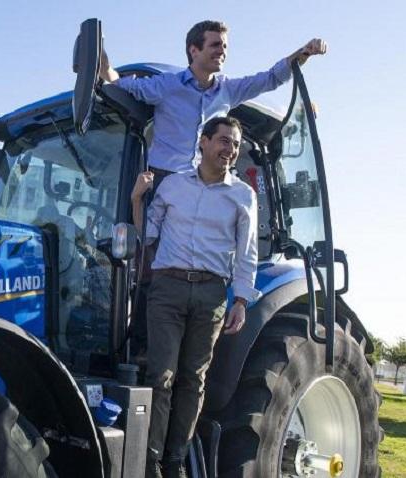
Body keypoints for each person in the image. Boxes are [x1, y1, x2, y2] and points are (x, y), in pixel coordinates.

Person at [131, 116, 258, 478]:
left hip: (212, 293)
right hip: (167, 289)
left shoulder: (243, 195)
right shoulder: (172, 187)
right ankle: (152, 461)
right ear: (203, 142)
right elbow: (148, 235)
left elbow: (247, 253)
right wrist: (136, 199)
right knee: (161, 376)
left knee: (194, 380)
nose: (229, 150)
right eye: (223, 141)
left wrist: (241, 301)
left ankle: (175, 461)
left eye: (234, 144)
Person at [100, 20, 327, 185]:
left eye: (225, 46)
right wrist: (99, 60)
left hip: (204, 184)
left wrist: (304, 53)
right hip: (164, 181)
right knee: (154, 246)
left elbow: (270, 78)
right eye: (215, 45)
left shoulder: (228, 89)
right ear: (194, 50)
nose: (222, 51)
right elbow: (121, 83)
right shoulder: (166, 85)